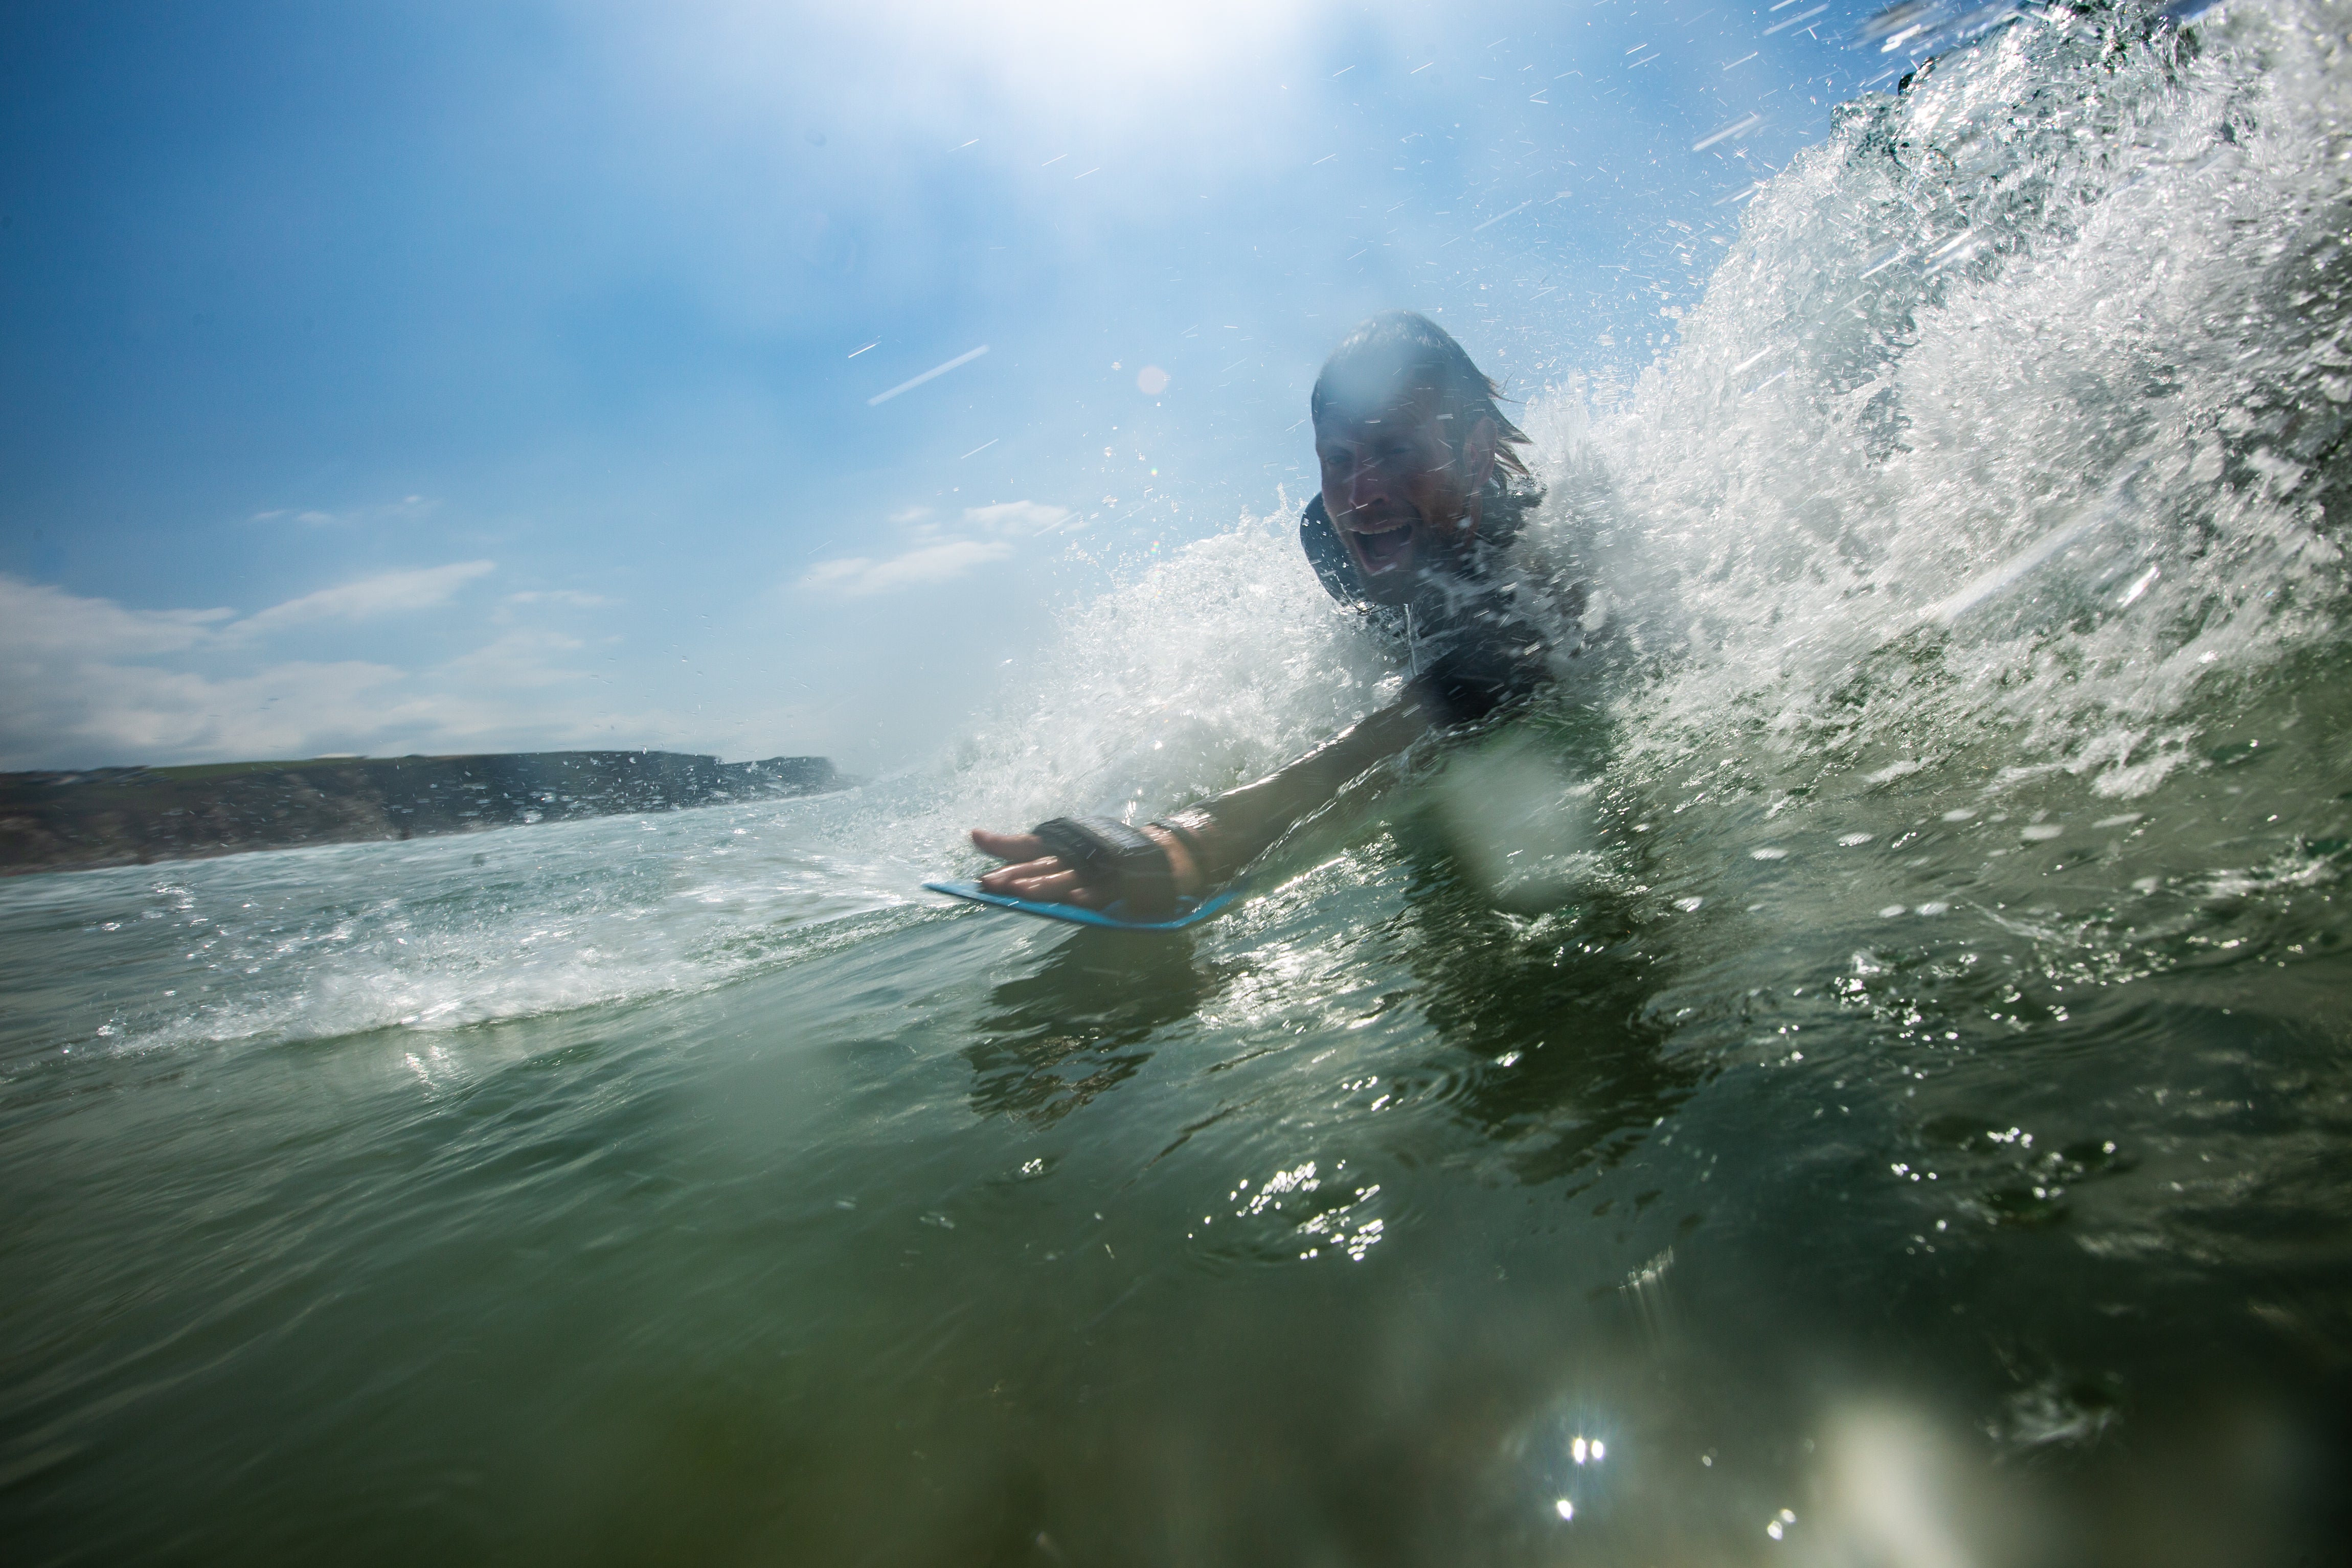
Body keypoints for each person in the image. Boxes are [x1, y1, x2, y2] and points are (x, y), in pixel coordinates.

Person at [969, 310, 1558, 917]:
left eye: (1396, 450)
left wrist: (1206, 833)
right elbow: (1406, 668)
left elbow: (1470, 684)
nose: (1360, 496)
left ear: (1476, 452)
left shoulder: (1538, 556)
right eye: (1338, 458)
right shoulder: (1331, 539)